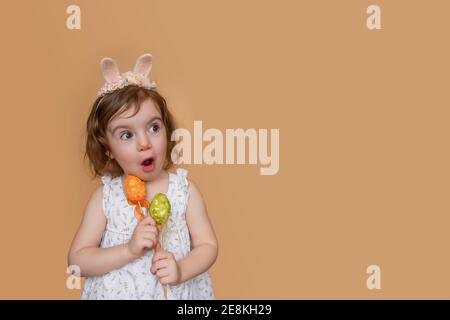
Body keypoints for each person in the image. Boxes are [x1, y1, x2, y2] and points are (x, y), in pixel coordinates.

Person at [68, 53, 218, 299]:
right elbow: (77, 260)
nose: (145, 143)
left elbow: (208, 246)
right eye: (127, 135)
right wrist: (129, 250)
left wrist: (180, 270)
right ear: (108, 148)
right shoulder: (105, 198)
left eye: (154, 127)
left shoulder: (184, 191)